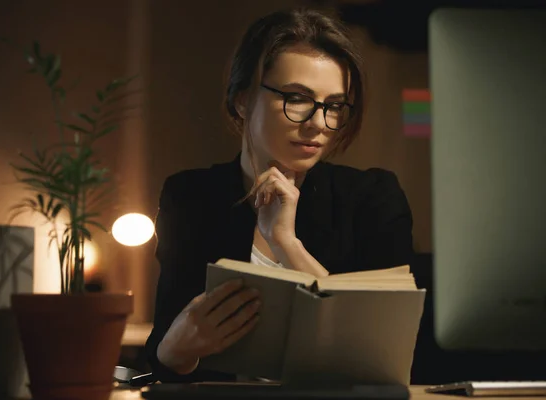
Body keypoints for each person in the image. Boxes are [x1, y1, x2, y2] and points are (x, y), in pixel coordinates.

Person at [140, 5, 414, 383]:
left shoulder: (372, 197)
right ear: (242, 100)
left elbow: (381, 354)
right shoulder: (191, 197)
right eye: (297, 98)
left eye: (334, 106)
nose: (319, 123)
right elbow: (165, 351)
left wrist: (286, 243)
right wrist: (175, 351)